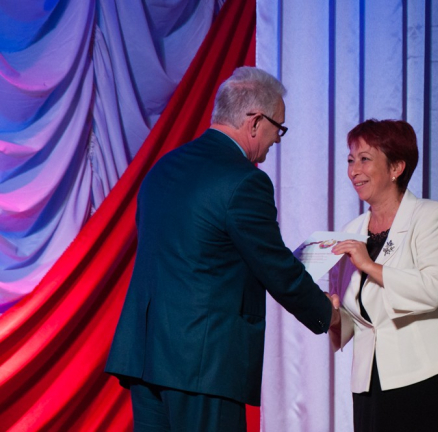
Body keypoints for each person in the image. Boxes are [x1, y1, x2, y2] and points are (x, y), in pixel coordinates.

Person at [105, 66, 340, 432]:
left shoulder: (162, 169)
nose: (277, 141)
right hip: (203, 365)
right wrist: (326, 312)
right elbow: (275, 267)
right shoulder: (244, 181)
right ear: (255, 122)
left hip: (146, 357)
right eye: (278, 128)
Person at [329, 119, 438, 431]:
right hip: (371, 382)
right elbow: (355, 319)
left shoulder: (432, 216)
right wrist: (330, 315)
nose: (354, 171)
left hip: (431, 375)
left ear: (396, 167)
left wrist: (369, 265)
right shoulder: (350, 231)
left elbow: (432, 289)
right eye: (350, 160)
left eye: (365, 159)